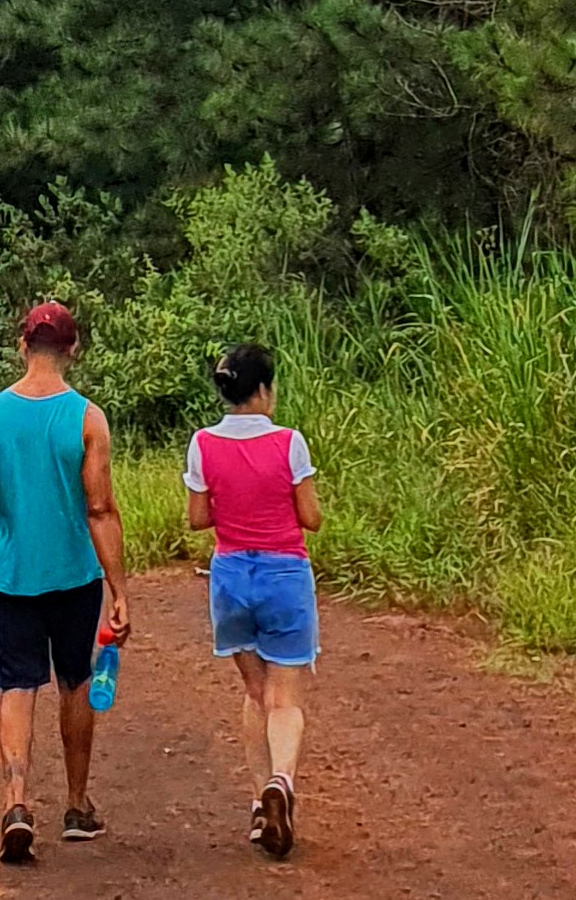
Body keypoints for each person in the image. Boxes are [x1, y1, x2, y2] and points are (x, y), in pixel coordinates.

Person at [0, 298, 132, 862]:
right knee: (75, 683)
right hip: (74, 576)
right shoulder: (87, 417)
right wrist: (119, 591)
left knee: (17, 686)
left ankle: (17, 803)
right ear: (73, 349)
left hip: (14, 578)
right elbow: (100, 508)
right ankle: (76, 806)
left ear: (22, 345)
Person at [184, 339, 319, 861]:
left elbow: (198, 518)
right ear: (263, 390)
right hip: (284, 572)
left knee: (254, 691)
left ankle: (260, 804)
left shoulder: (203, 443)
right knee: (285, 698)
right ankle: (281, 784)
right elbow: (310, 517)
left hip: (231, 574)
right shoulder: (289, 443)